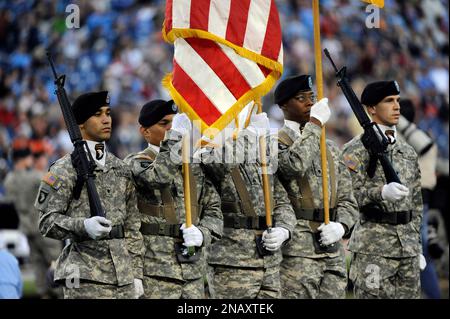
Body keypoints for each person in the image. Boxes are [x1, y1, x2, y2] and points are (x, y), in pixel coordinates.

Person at [34, 91, 144, 299]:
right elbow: (46, 221)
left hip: (124, 275)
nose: (106, 119)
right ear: (81, 124)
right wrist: (83, 226)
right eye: (97, 114)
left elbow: (132, 226)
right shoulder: (63, 169)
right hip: (85, 276)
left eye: (108, 113)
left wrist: (136, 273)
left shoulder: (120, 168)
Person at [124, 100, 223, 299]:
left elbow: (214, 211)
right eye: (164, 124)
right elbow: (158, 177)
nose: (171, 128)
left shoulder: (193, 166)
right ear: (145, 132)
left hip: (192, 270)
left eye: (174, 123)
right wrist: (176, 138)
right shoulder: (136, 163)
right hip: (155, 271)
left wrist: (203, 233)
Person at [274, 74, 359, 298]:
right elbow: (294, 166)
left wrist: (342, 226)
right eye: (301, 98)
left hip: (332, 250)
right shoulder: (275, 144)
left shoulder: (329, 148)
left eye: (311, 97)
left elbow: (347, 198)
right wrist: (315, 125)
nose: (310, 103)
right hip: (297, 251)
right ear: (283, 105)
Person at [198, 106, 297, 299]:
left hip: (268, 261)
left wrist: (284, 229)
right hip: (232, 262)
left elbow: (282, 202)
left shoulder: (261, 157)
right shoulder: (209, 151)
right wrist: (251, 134)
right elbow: (216, 163)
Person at [342, 81, 424, 299]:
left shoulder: (407, 151)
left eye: (397, 100)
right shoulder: (354, 150)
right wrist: (380, 192)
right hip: (373, 249)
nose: (397, 106)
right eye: (389, 101)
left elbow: (416, 203)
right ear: (371, 109)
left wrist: (417, 245)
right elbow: (347, 197)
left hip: (407, 250)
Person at [3, 138, 62, 298]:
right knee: (56, 260)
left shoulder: (9, 180)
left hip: (25, 227)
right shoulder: (36, 176)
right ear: (25, 158)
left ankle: (44, 294)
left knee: (37, 263)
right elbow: (58, 185)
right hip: (42, 226)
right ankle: (60, 292)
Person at [398, 99, 442, 299]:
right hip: (422, 199)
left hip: (419, 200)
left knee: (421, 254)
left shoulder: (416, 139)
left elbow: (425, 147)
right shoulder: (418, 136)